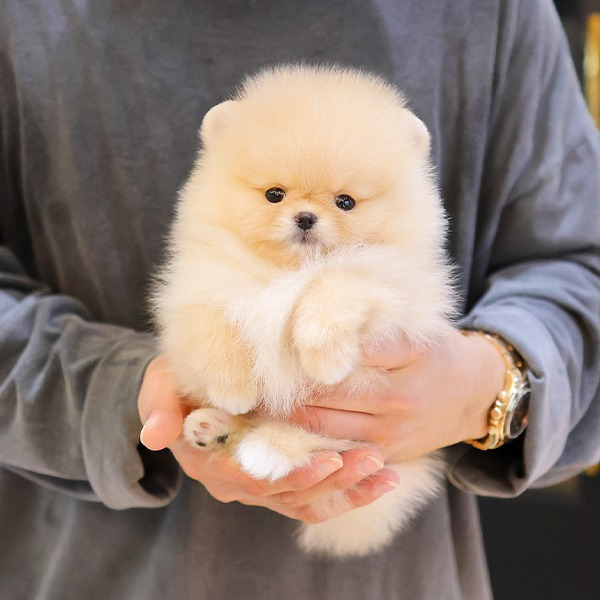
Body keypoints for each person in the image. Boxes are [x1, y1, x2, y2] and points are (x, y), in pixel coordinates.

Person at [0, 0, 598, 598]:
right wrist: (122, 392)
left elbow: (581, 260)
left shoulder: (493, 13)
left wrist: (490, 382)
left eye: (344, 202)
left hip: (397, 574)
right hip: (87, 567)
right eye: (277, 194)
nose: (306, 216)